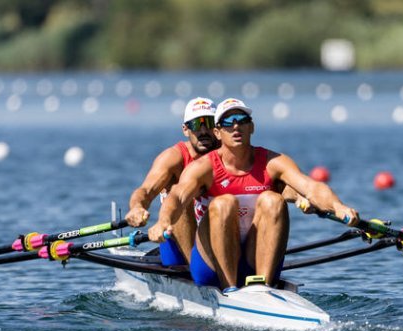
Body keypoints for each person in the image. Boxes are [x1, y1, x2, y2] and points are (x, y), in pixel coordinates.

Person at [148, 98, 359, 292]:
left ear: (252, 127)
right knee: (224, 203)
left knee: (273, 200)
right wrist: (163, 222)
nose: (236, 126)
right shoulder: (203, 167)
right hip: (211, 266)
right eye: (228, 122)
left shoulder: (273, 161)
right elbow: (176, 197)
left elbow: (311, 187)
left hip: (253, 257)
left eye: (242, 120)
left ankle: (264, 288)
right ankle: (229, 288)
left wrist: (338, 207)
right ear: (218, 133)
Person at [125, 97, 219, 266]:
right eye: (197, 125)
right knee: (179, 196)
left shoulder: (232, 155)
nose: (204, 131)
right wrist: (137, 207)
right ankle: (197, 269)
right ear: (185, 129)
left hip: (219, 237)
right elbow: (146, 191)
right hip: (178, 247)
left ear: (218, 127)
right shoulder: (173, 158)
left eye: (210, 123)